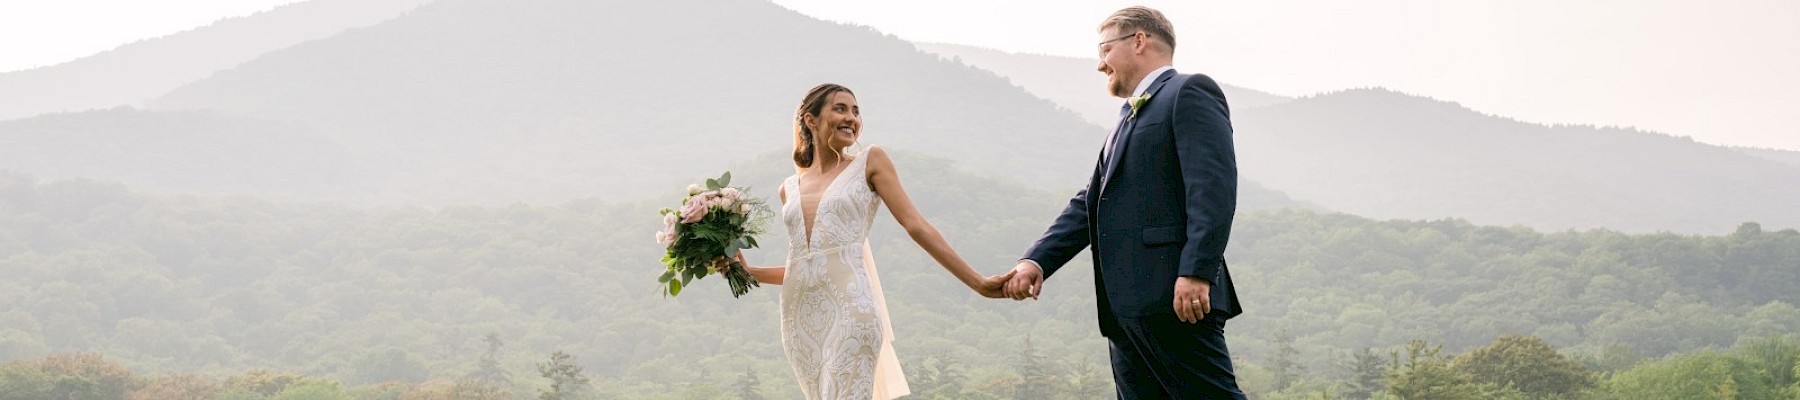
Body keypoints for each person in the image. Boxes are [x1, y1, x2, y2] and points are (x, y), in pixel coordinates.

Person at [1003, 6, 1246, 399]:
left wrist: (1197, 272)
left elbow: (1213, 189)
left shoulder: (1189, 92)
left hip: (1175, 299)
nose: (1100, 64)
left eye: (1105, 50)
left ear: (1139, 41)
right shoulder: (1125, 116)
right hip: (1124, 311)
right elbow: (1091, 202)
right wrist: (1036, 261)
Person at [734, 83, 1012, 399]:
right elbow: (803, 266)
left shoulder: (870, 161)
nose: (851, 118)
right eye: (840, 109)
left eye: (856, 111)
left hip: (852, 312)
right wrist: (748, 272)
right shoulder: (788, 188)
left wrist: (978, 282)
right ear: (811, 120)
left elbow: (917, 225)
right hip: (800, 324)